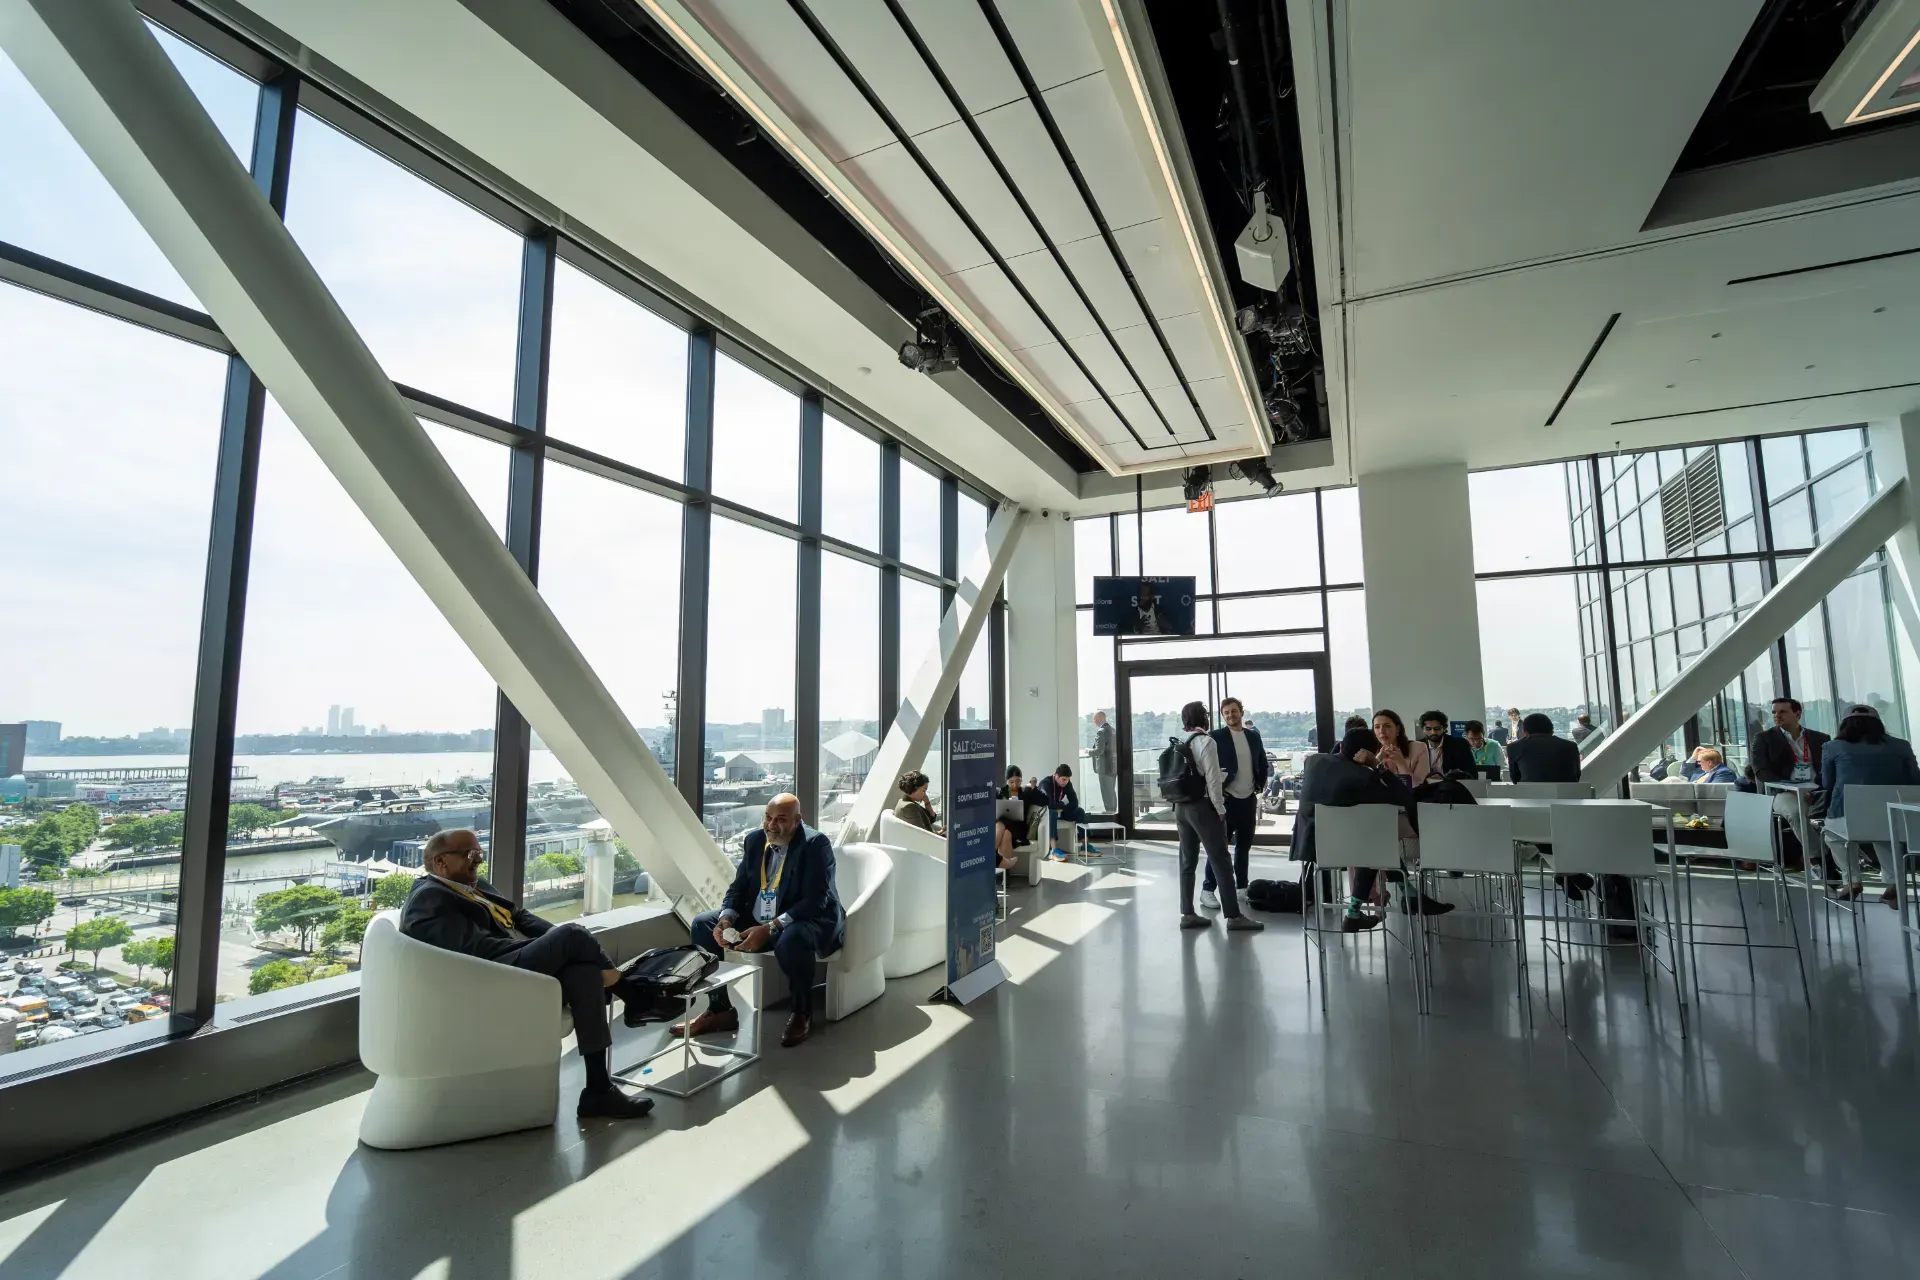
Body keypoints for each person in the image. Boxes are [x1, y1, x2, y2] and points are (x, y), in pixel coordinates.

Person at [400, 829, 653, 1121]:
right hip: (492, 974)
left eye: (480, 853)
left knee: (583, 971)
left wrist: (557, 945)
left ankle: (598, 1090)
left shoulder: (472, 884)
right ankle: (633, 996)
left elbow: (518, 916)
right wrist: (553, 944)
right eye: (470, 854)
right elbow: (476, 950)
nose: (478, 860)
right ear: (440, 861)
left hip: (514, 958)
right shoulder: (429, 898)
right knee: (574, 934)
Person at [677, 795, 845, 1048]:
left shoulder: (815, 844)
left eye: (781, 819)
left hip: (807, 918)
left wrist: (771, 927)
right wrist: (725, 919)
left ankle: (802, 1013)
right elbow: (739, 888)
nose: (771, 825)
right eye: (768, 817)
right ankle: (720, 1009)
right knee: (703, 924)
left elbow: (815, 900)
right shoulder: (755, 840)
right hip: (761, 917)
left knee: (792, 938)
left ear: (798, 821)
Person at [1290, 727, 1430, 931]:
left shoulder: (1313, 761)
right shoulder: (1363, 778)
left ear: (1340, 745)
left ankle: (1405, 893)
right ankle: (1399, 895)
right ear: (1366, 756)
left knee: (1374, 835)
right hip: (1350, 852)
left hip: (1310, 847)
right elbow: (1405, 797)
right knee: (1377, 837)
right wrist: (1377, 765)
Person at [1168, 701, 1263, 932]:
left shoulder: (1181, 742)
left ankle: (1188, 914)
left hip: (1181, 808)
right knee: (1221, 860)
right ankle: (1234, 917)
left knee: (1187, 861)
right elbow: (1212, 780)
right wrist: (1220, 809)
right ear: (1205, 718)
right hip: (1202, 807)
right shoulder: (1206, 741)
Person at [1820, 709, 1920, 902]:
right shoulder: (1901, 745)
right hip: (1896, 815)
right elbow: (1915, 779)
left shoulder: (1832, 747)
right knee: (1885, 836)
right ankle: (1893, 883)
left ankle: (1852, 881)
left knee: (1833, 836)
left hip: (1846, 813)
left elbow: (1827, 784)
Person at [1201, 697, 1267, 910]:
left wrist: (1260, 785)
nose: (1230, 715)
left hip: (1248, 799)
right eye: (1226, 712)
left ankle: (1242, 887)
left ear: (1241, 712)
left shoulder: (1253, 737)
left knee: (1244, 847)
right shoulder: (1216, 737)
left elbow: (1262, 762)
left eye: (1234, 711)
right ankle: (1207, 890)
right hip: (1227, 800)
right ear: (1223, 715)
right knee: (1219, 848)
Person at [1504, 712, 1582, 783]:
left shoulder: (1513, 747)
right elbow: (1576, 775)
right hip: (1568, 796)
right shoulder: (1570, 746)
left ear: (1525, 732)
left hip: (1529, 795)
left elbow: (1515, 779)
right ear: (1552, 731)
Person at [995, 767, 1048, 870]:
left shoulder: (1026, 792)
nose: (1015, 785)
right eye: (1011, 782)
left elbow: (1045, 801)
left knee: (1000, 824)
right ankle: (1005, 876)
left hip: (1019, 828)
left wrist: (1034, 788)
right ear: (1007, 780)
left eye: (1018, 781)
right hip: (1005, 828)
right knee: (1005, 833)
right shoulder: (1001, 792)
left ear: (1022, 780)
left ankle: (989, 856)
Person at [1039, 764, 1087, 860]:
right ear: (1056, 776)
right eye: (1064, 779)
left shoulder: (1067, 784)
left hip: (1060, 811)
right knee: (1052, 812)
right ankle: (1053, 849)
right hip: (1046, 813)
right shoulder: (1046, 783)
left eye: (1068, 779)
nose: (1066, 782)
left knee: (1080, 811)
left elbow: (1074, 802)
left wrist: (1062, 808)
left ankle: (1085, 846)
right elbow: (1049, 804)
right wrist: (1061, 804)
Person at [1415, 711, 1476, 781]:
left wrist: (1446, 778)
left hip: (1451, 787)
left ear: (1444, 728)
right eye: (1428, 729)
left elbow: (1471, 774)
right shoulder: (1417, 746)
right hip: (1425, 787)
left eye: (1437, 728)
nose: (1433, 732)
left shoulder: (1459, 744)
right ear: (1423, 729)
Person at [1371, 709, 1423, 785]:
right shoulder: (1370, 751)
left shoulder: (1419, 747)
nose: (1381, 731)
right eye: (1377, 727)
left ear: (1398, 729)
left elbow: (1416, 786)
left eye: (1387, 726)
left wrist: (1401, 763)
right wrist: (1375, 762)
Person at [891, 769, 940, 833]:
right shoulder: (910, 807)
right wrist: (942, 832)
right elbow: (924, 834)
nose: (925, 794)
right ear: (915, 788)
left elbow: (931, 819)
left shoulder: (905, 802)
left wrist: (927, 802)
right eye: (923, 790)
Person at [1090, 710, 1117, 813]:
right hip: (1113, 766)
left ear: (1100, 719)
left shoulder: (1101, 731)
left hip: (1104, 768)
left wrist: (1089, 751)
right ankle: (1114, 813)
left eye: (1095, 719)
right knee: (1111, 792)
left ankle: (1110, 814)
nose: (1094, 722)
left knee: (1106, 792)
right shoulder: (1113, 730)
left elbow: (1099, 751)